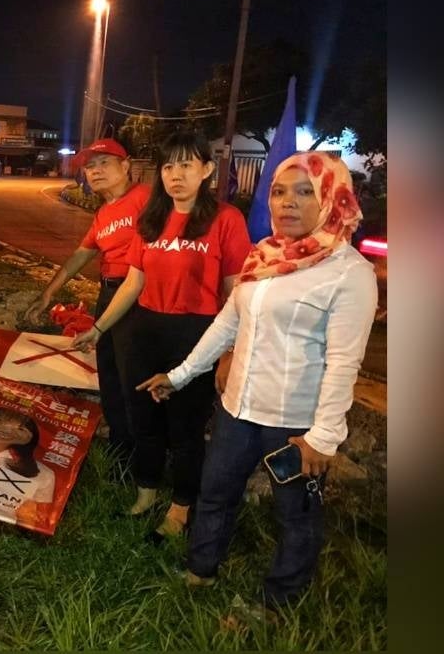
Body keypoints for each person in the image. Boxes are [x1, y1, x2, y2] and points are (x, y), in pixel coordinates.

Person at [136, 152, 377, 613]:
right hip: (236, 412)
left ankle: (276, 605)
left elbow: (345, 363)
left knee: (296, 516)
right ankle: (199, 572)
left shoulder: (350, 274)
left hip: (293, 426)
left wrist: (323, 437)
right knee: (215, 494)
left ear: (333, 199)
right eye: (280, 192)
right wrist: (181, 375)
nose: (288, 202)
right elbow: (227, 325)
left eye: (306, 191)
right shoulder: (265, 255)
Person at [71, 130, 252, 542]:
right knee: (144, 418)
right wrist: (98, 329)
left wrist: (229, 352)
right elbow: (133, 283)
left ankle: (180, 508)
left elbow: (237, 293)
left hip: (197, 333)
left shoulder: (226, 220)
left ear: (206, 170)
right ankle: (146, 492)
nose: (176, 175)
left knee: (185, 428)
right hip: (144, 329)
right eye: (169, 166)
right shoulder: (151, 220)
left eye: (187, 165)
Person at [26, 137, 151, 462]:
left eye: (103, 163)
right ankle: (120, 445)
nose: (95, 171)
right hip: (109, 293)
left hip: (139, 295)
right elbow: (81, 254)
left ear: (126, 166)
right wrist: (49, 292)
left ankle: (141, 454)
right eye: (90, 166)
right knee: (108, 371)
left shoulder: (146, 199)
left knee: (131, 375)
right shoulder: (104, 213)